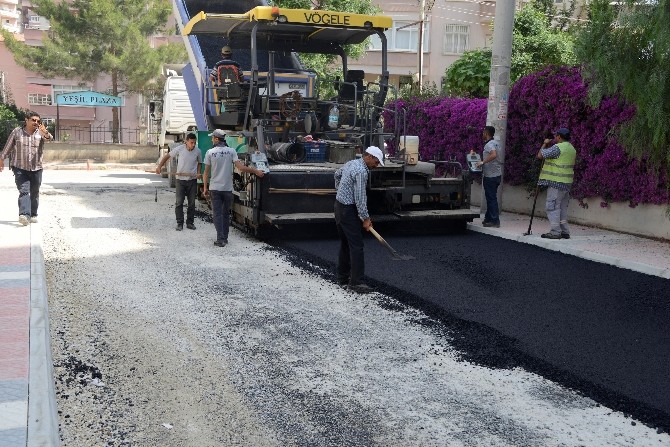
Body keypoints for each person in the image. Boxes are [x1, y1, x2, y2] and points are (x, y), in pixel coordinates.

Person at [334, 146, 384, 294]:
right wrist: (366, 219)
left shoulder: (351, 163)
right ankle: (356, 282)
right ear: (368, 156)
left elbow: (337, 174)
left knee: (345, 243)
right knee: (357, 246)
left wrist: (341, 190)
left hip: (338, 206)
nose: (376, 165)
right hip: (348, 210)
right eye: (376, 162)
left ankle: (342, 278)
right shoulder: (361, 171)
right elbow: (360, 198)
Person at [202, 129, 264, 247]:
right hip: (227, 189)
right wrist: (256, 171)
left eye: (212, 138)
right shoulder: (231, 151)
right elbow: (241, 168)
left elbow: (205, 173)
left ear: (216, 138)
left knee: (217, 214)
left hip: (215, 188)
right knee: (225, 213)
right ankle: (225, 238)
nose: (211, 139)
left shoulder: (210, 152)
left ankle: (220, 239)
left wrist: (205, 187)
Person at [0, 112, 53, 226]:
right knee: (24, 191)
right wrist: (2, 158)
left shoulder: (41, 132)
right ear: (26, 120)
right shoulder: (17, 132)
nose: (36, 122)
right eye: (33, 120)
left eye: (38, 121)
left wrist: (46, 132)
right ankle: (24, 214)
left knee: (34, 192)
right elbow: (8, 146)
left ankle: (33, 214)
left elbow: (49, 139)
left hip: (36, 168)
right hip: (20, 168)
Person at [156, 133, 202, 231]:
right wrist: (159, 167)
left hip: (192, 180)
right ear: (186, 141)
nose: (193, 144)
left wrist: (198, 173)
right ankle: (179, 223)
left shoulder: (198, 151)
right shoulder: (180, 149)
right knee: (179, 202)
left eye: (194, 142)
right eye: (191, 142)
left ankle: (190, 223)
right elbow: (167, 156)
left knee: (192, 203)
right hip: (180, 180)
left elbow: (199, 163)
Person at [536, 127, 577, 239]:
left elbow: (540, 155)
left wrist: (544, 144)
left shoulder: (558, 148)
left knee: (552, 207)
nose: (554, 137)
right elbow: (556, 158)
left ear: (559, 136)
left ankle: (555, 231)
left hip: (556, 183)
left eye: (555, 136)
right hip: (567, 183)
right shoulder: (571, 148)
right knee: (562, 208)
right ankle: (564, 231)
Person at [475, 125, 503, 227]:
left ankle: (495, 220)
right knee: (491, 196)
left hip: (490, 176)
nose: (482, 134)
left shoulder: (489, 144)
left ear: (486, 133)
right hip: (497, 174)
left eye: (483, 132)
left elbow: (493, 155)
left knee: (491, 198)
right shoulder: (497, 143)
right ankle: (488, 218)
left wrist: (482, 162)